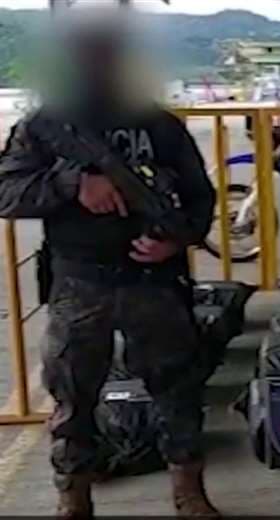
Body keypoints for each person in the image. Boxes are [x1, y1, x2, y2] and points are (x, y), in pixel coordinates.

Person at [0, 13, 218, 518]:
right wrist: (75, 185)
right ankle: (73, 495)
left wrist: (176, 240)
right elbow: (7, 191)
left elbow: (199, 196)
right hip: (81, 281)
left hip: (155, 281)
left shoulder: (160, 125)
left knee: (179, 390)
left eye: (108, 55)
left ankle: (189, 491)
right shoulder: (45, 126)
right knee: (74, 397)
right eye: (88, 56)